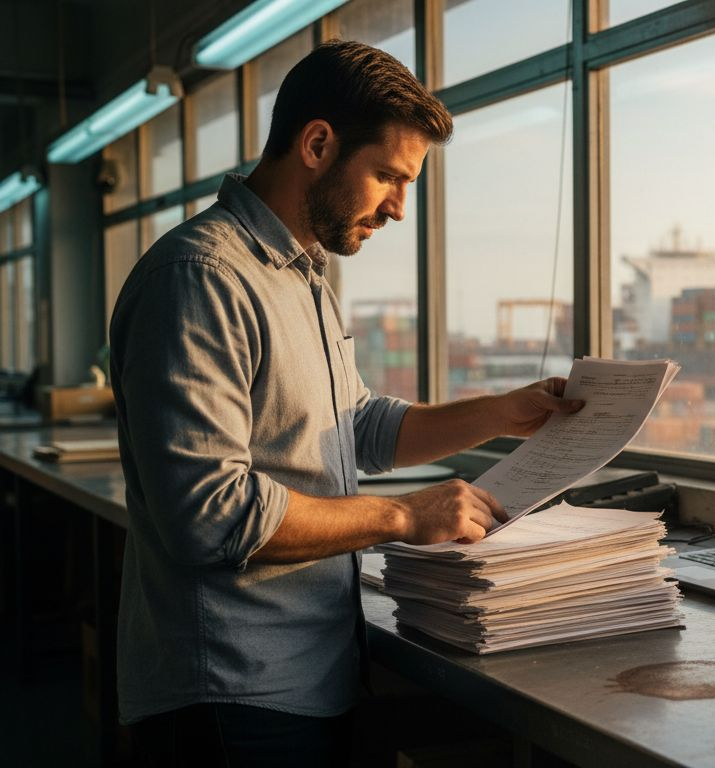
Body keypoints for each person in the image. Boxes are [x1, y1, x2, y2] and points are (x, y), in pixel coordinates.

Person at [108, 40, 581, 767]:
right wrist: (404, 515)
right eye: (388, 176)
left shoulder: (302, 273)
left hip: (306, 674)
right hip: (231, 698)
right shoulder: (199, 277)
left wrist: (496, 413)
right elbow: (208, 515)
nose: (398, 207)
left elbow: (352, 429)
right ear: (319, 144)